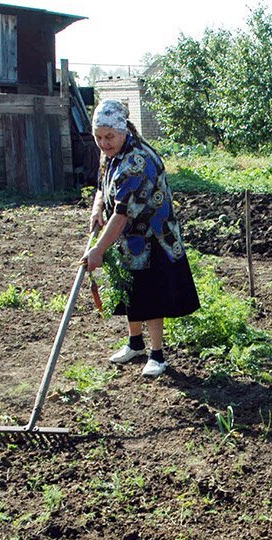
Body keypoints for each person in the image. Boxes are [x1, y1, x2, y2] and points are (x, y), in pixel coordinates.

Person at [82, 99, 200, 378]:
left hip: (153, 239)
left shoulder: (138, 161)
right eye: (98, 137)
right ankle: (135, 344)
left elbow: (122, 214)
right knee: (130, 291)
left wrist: (98, 249)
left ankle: (157, 356)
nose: (104, 143)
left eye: (109, 137)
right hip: (128, 240)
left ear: (124, 131)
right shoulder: (112, 154)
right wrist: (98, 207)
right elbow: (103, 184)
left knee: (151, 296)